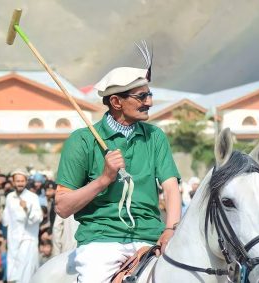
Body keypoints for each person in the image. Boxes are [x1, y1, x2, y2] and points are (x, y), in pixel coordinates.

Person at [55, 44, 181, 282]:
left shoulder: (156, 136)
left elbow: (171, 187)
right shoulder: (82, 140)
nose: (150, 102)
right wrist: (104, 179)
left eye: (149, 94)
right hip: (101, 241)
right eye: (142, 96)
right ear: (116, 102)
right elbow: (62, 207)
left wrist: (170, 229)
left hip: (151, 236)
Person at [2, 170, 43, 283]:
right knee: (14, 269)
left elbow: (39, 218)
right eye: (17, 181)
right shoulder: (10, 197)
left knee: (26, 270)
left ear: (26, 182)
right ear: (13, 182)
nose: (20, 183)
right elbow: (6, 219)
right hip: (14, 239)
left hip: (28, 238)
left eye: (22, 181)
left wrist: (27, 209)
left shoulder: (32, 197)